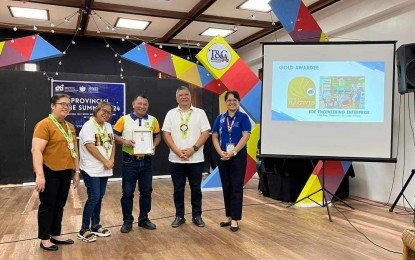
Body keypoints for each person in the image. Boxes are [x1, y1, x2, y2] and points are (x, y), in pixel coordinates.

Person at [32, 94, 80, 251]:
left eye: (69, 104)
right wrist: (40, 175)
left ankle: (55, 234)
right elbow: (36, 150)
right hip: (49, 171)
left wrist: (76, 171)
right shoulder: (44, 125)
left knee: (60, 204)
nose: (66, 107)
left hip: (66, 171)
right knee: (48, 205)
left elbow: (75, 151)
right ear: (53, 106)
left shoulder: (70, 126)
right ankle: (45, 239)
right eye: (62, 104)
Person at [162, 86, 211, 228]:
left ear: (190, 96)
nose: (184, 97)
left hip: (195, 159)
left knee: (196, 188)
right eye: (181, 95)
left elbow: (205, 132)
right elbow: (166, 133)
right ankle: (179, 216)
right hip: (176, 159)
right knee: (178, 189)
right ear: (177, 98)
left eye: (186, 94)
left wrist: (193, 149)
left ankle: (197, 216)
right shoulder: (171, 113)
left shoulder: (200, 113)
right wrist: (177, 151)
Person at [113, 95, 161, 233]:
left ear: (148, 105)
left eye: (145, 104)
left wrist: (153, 146)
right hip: (129, 160)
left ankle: (143, 219)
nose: (142, 106)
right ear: (133, 104)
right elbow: (114, 135)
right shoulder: (124, 119)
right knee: (127, 192)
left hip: (146, 160)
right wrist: (125, 142)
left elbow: (158, 136)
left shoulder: (153, 120)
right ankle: (127, 221)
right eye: (139, 103)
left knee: (146, 191)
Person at [212, 90, 251, 232]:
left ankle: (235, 219)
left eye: (235, 100)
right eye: (229, 100)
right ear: (225, 102)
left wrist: (233, 152)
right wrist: (219, 151)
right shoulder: (220, 118)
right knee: (226, 186)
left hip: (238, 156)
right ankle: (228, 216)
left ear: (239, 102)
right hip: (223, 155)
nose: (232, 102)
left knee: (236, 187)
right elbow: (215, 136)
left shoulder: (243, 117)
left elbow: (245, 136)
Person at [77, 102, 115, 242]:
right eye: (103, 111)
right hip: (91, 169)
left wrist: (111, 160)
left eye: (109, 113)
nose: (106, 114)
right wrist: (105, 161)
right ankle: (84, 229)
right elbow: (90, 147)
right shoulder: (88, 126)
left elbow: (112, 143)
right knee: (94, 197)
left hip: (104, 169)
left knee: (99, 197)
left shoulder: (108, 126)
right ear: (96, 110)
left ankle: (96, 225)